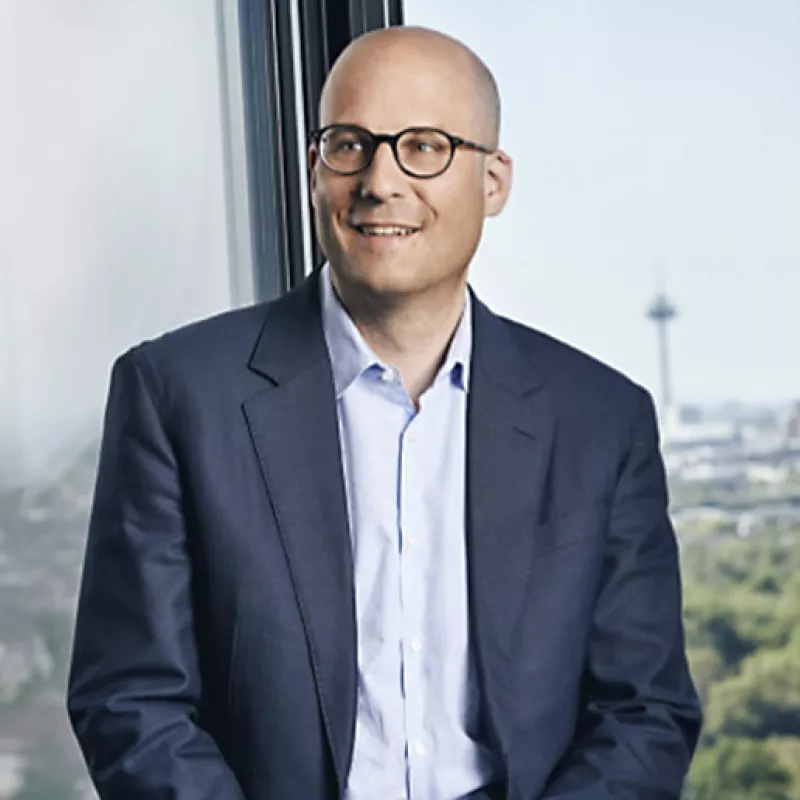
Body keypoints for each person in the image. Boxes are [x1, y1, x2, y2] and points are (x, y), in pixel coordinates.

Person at [67, 25, 701, 800]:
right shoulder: (176, 394)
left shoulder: (602, 420)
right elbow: (131, 702)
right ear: (314, 170)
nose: (380, 181)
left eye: (425, 146)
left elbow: (643, 713)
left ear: (493, 181)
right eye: (349, 145)